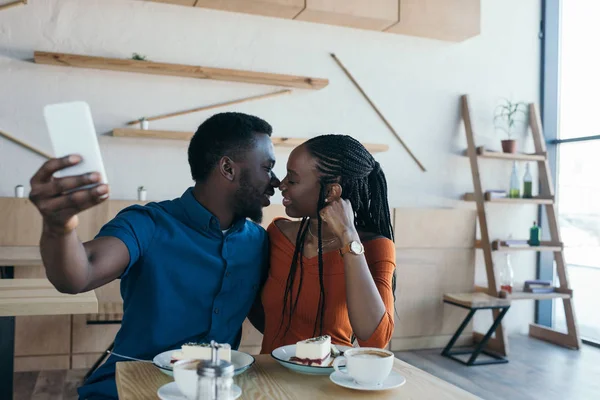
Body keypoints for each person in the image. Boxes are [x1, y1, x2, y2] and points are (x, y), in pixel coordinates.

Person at [28, 112, 280, 399]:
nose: (275, 180)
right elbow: (78, 275)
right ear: (228, 168)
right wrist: (58, 226)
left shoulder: (258, 241)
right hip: (132, 385)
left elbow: (270, 318)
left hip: (216, 389)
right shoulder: (147, 224)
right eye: (267, 167)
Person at [258, 134, 396, 355]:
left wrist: (349, 238)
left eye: (292, 180)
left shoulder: (373, 247)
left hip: (333, 383)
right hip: (270, 381)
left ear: (332, 191)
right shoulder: (277, 234)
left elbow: (376, 340)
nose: (281, 185)